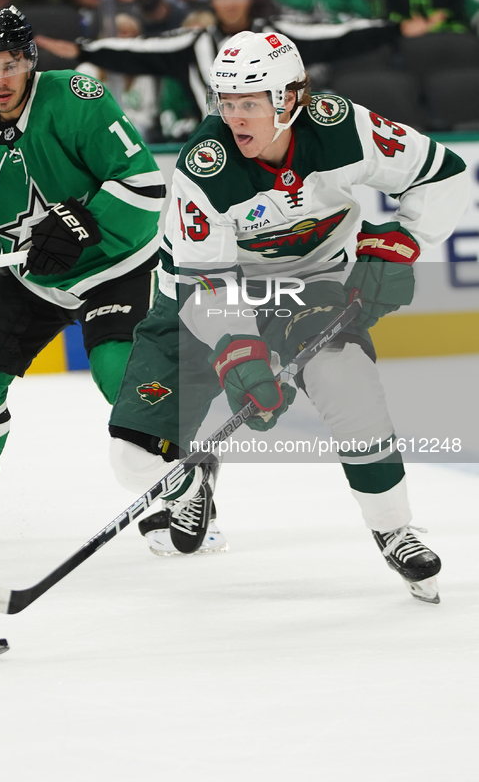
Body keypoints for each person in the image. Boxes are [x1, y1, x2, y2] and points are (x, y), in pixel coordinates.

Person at [106, 29, 469, 603]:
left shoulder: (341, 127)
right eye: (226, 103)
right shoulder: (205, 166)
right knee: (131, 458)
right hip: (200, 296)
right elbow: (205, 282)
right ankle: (190, 482)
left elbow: (441, 171)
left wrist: (401, 243)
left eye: (249, 103)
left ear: (291, 99)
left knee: (348, 381)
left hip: (310, 284)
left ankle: (394, 527)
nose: (235, 118)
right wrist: (238, 352)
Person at [0, 6, 165, 545]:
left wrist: (82, 223)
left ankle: (181, 485)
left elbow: (144, 185)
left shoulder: (75, 98)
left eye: (8, 64)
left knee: (119, 372)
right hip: (34, 273)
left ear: (29, 59)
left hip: (115, 262)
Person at [35, 0, 402, 126]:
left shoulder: (278, 35)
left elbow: (336, 37)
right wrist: (85, 50)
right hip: (218, 142)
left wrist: (393, 30)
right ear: (212, 0)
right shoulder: (191, 43)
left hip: (279, 139)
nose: (229, 3)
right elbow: (139, 50)